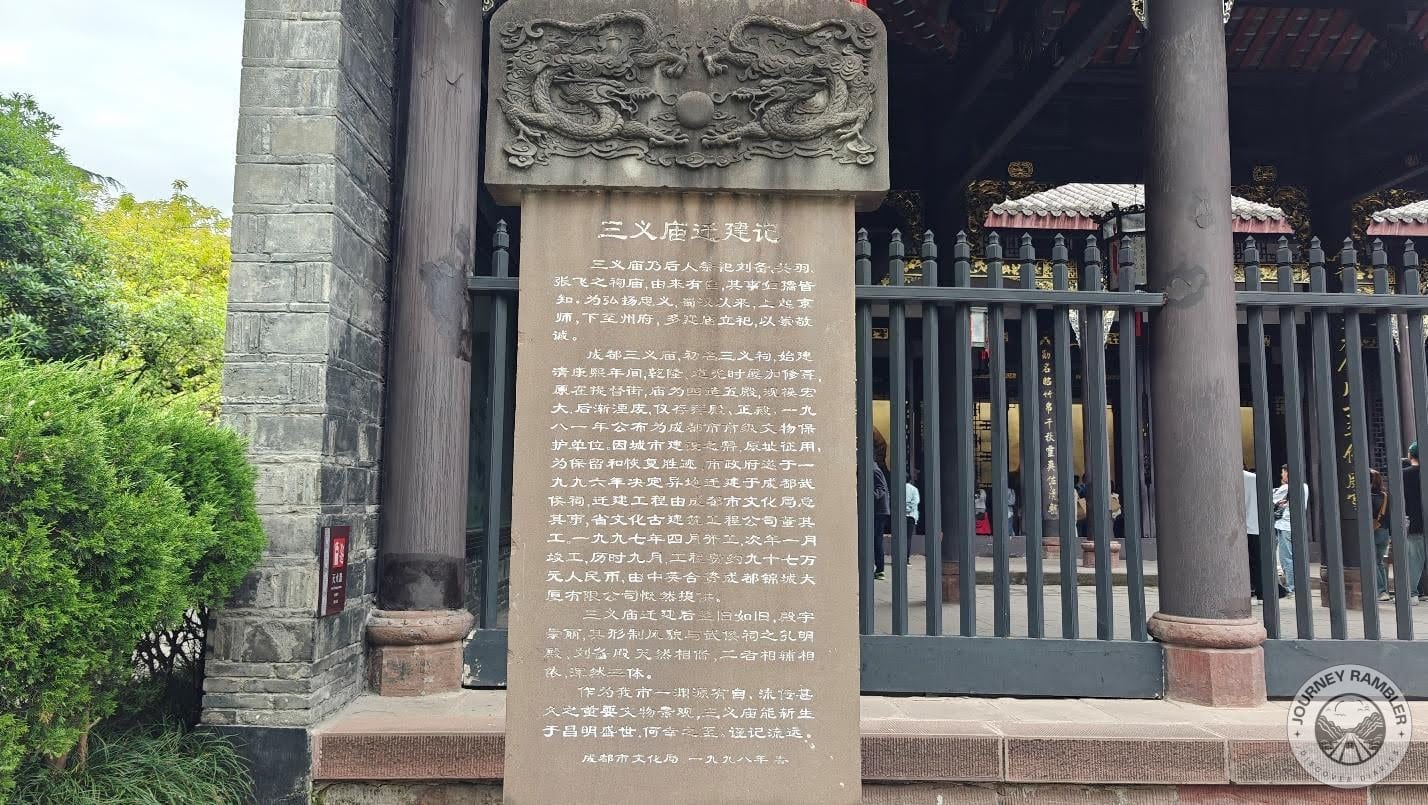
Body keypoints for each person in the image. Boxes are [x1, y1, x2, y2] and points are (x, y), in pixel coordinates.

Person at [1271, 464, 1308, 598]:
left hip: (1285, 525)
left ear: (1288, 473)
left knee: (1286, 558)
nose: (1282, 475)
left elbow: (1271, 500)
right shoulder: (1304, 486)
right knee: (1295, 556)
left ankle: (1292, 587)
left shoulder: (1286, 487)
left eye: (1283, 473)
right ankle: (1297, 585)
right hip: (1297, 526)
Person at [1403, 443, 1428, 604]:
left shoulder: (1403, 474)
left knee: (1414, 559)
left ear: (1410, 455)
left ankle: (1412, 593)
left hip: (1414, 522)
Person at [1368, 468, 1391, 601]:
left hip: (1373, 530)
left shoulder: (1367, 496)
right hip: (1384, 531)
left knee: (1373, 561)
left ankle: (1381, 591)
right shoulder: (1385, 495)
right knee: (1379, 562)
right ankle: (1383, 591)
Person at [871, 430, 891, 581]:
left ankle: (880, 569)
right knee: (874, 539)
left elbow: (882, 489)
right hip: (877, 509)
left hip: (879, 510)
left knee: (877, 539)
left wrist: (868, 497)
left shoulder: (874, 468)